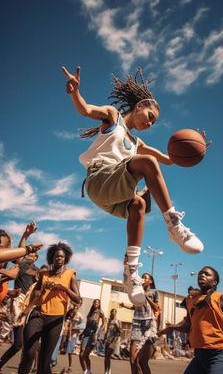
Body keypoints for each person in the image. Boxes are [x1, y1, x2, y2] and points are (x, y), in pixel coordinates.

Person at [62, 65, 204, 306]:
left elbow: (168, 159)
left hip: (112, 194)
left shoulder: (137, 143)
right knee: (146, 164)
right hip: (99, 179)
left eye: (154, 122)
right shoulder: (112, 116)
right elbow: (86, 109)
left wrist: (196, 147)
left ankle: (130, 272)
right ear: (139, 106)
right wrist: (75, 92)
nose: (150, 124)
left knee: (138, 202)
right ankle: (174, 225)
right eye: (150, 117)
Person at [158, 266, 223, 374]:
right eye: (200, 273)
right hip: (199, 356)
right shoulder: (191, 301)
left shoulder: (222, 299)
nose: (202, 275)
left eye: (207, 274)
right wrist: (170, 327)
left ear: (215, 282)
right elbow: (189, 327)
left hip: (219, 356)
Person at [17, 242, 81, 374]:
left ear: (65, 258)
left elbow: (77, 299)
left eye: (62, 257)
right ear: (52, 257)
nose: (59, 258)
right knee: (29, 352)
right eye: (56, 256)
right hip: (38, 314)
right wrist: (25, 312)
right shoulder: (44, 274)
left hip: (55, 319)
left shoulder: (70, 275)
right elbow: (35, 294)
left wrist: (64, 289)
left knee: (44, 362)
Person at [120, 272, 160, 374]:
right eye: (142, 277)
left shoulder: (154, 291)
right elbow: (135, 306)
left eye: (145, 278)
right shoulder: (137, 292)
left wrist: (146, 296)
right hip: (137, 323)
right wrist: (124, 305)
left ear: (150, 281)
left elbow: (156, 308)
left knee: (143, 362)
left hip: (149, 324)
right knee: (133, 360)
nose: (143, 279)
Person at [79, 299, 105, 374]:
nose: (96, 303)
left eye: (97, 302)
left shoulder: (100, 312)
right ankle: (86, 371)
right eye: (95, 302)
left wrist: (98, 332)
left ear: (99, 304)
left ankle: (88, 371)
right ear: (93, 303)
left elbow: (104, 323)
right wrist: (82, 333)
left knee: (86, 355)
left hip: (93, 335)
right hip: (86, 334)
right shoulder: (90, 312)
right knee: (81, 354)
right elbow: (87, 325)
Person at [104, 308, 121, 374]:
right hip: (108, 340)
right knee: (106, 357)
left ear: (116, 313)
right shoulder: (109, 321)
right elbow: (107, 331)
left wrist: (116, 326)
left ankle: (109, 370)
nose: (113, 313)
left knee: (108, 355)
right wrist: (105, 338)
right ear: (111, 313)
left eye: (114, 312)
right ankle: (106, 371)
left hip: (113, 341)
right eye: (112, 312)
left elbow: (120, 332)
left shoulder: (118, 321)